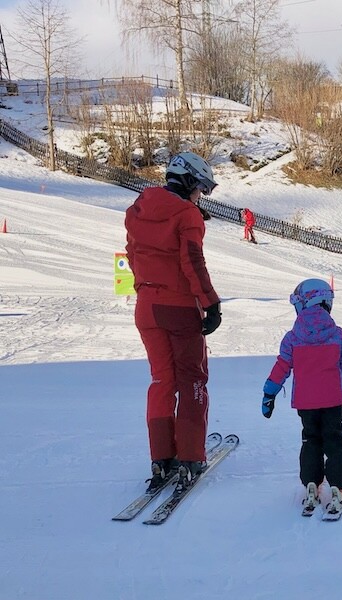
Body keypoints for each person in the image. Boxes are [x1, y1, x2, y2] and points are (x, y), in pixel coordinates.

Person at [124, 151, 222, 493]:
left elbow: (135, 254)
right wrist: (211, 304)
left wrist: (146, 287)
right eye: (201, 189)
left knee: (161, 380)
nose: (201, 197)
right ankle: (191, 455)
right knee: (192, 378)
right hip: (179, 307)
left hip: (146, 307)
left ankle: (161, 456)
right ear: (191, 183)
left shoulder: (138, 209)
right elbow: (192, 262)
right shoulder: (186, 214)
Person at [261, 278, 342, 512]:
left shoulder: (293, 338)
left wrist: (269, 393)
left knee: (311, 439)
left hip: (306, 403)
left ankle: (312, 484)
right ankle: (339, 485)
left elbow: (281, 367)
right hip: (333, 400)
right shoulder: (338, 335)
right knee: (335, 439)